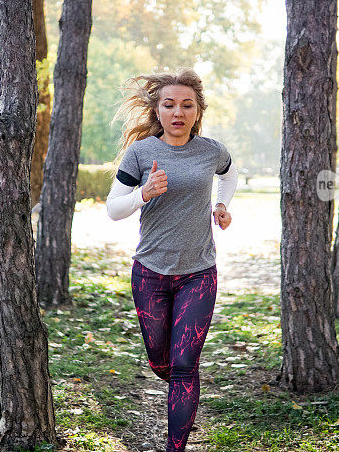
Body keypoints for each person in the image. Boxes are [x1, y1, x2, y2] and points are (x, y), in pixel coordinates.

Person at [105, 68, 238, 452]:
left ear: (197, 111)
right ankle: (176, 380)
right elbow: (114, 209)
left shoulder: (211, 150)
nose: (178, 112)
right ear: (158, 110)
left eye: (186, 105)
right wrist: (144, 193)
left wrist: (222, 205)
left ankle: (174, 447)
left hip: (198, 273)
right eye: (169, 105)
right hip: (150, 274)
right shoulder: (142, 152)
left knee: (184, 367)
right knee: (161, 364)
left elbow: (230, 176)